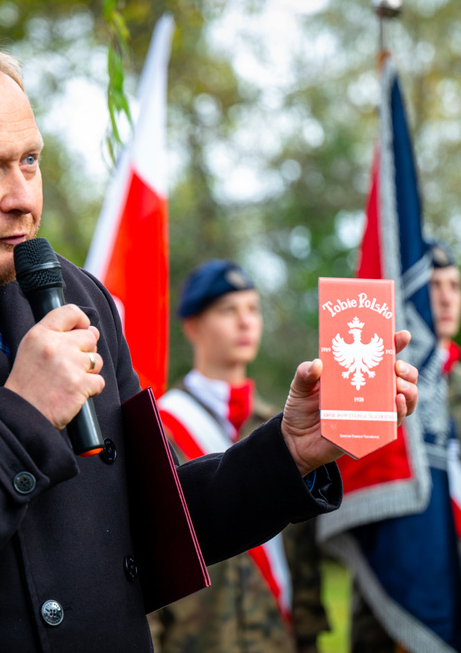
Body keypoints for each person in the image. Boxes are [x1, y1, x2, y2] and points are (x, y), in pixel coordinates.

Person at [0, 38, 419, 653]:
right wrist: (21, 415)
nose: (22, 198)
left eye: (29, 161)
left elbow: (148, 526)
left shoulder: (71, 294)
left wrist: (289, 452)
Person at [350, 241, 461, 652]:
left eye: (455, 286)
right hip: (390, 614)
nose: (446, 298)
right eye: (433, 285)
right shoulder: (373, 390)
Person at [148, 260, 329, 653]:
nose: (245, 322)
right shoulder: (159, 428)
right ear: (193, 326)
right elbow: (147, 551)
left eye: (253, 309)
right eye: (228, 310)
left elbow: (302, 553)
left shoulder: (283, 427)